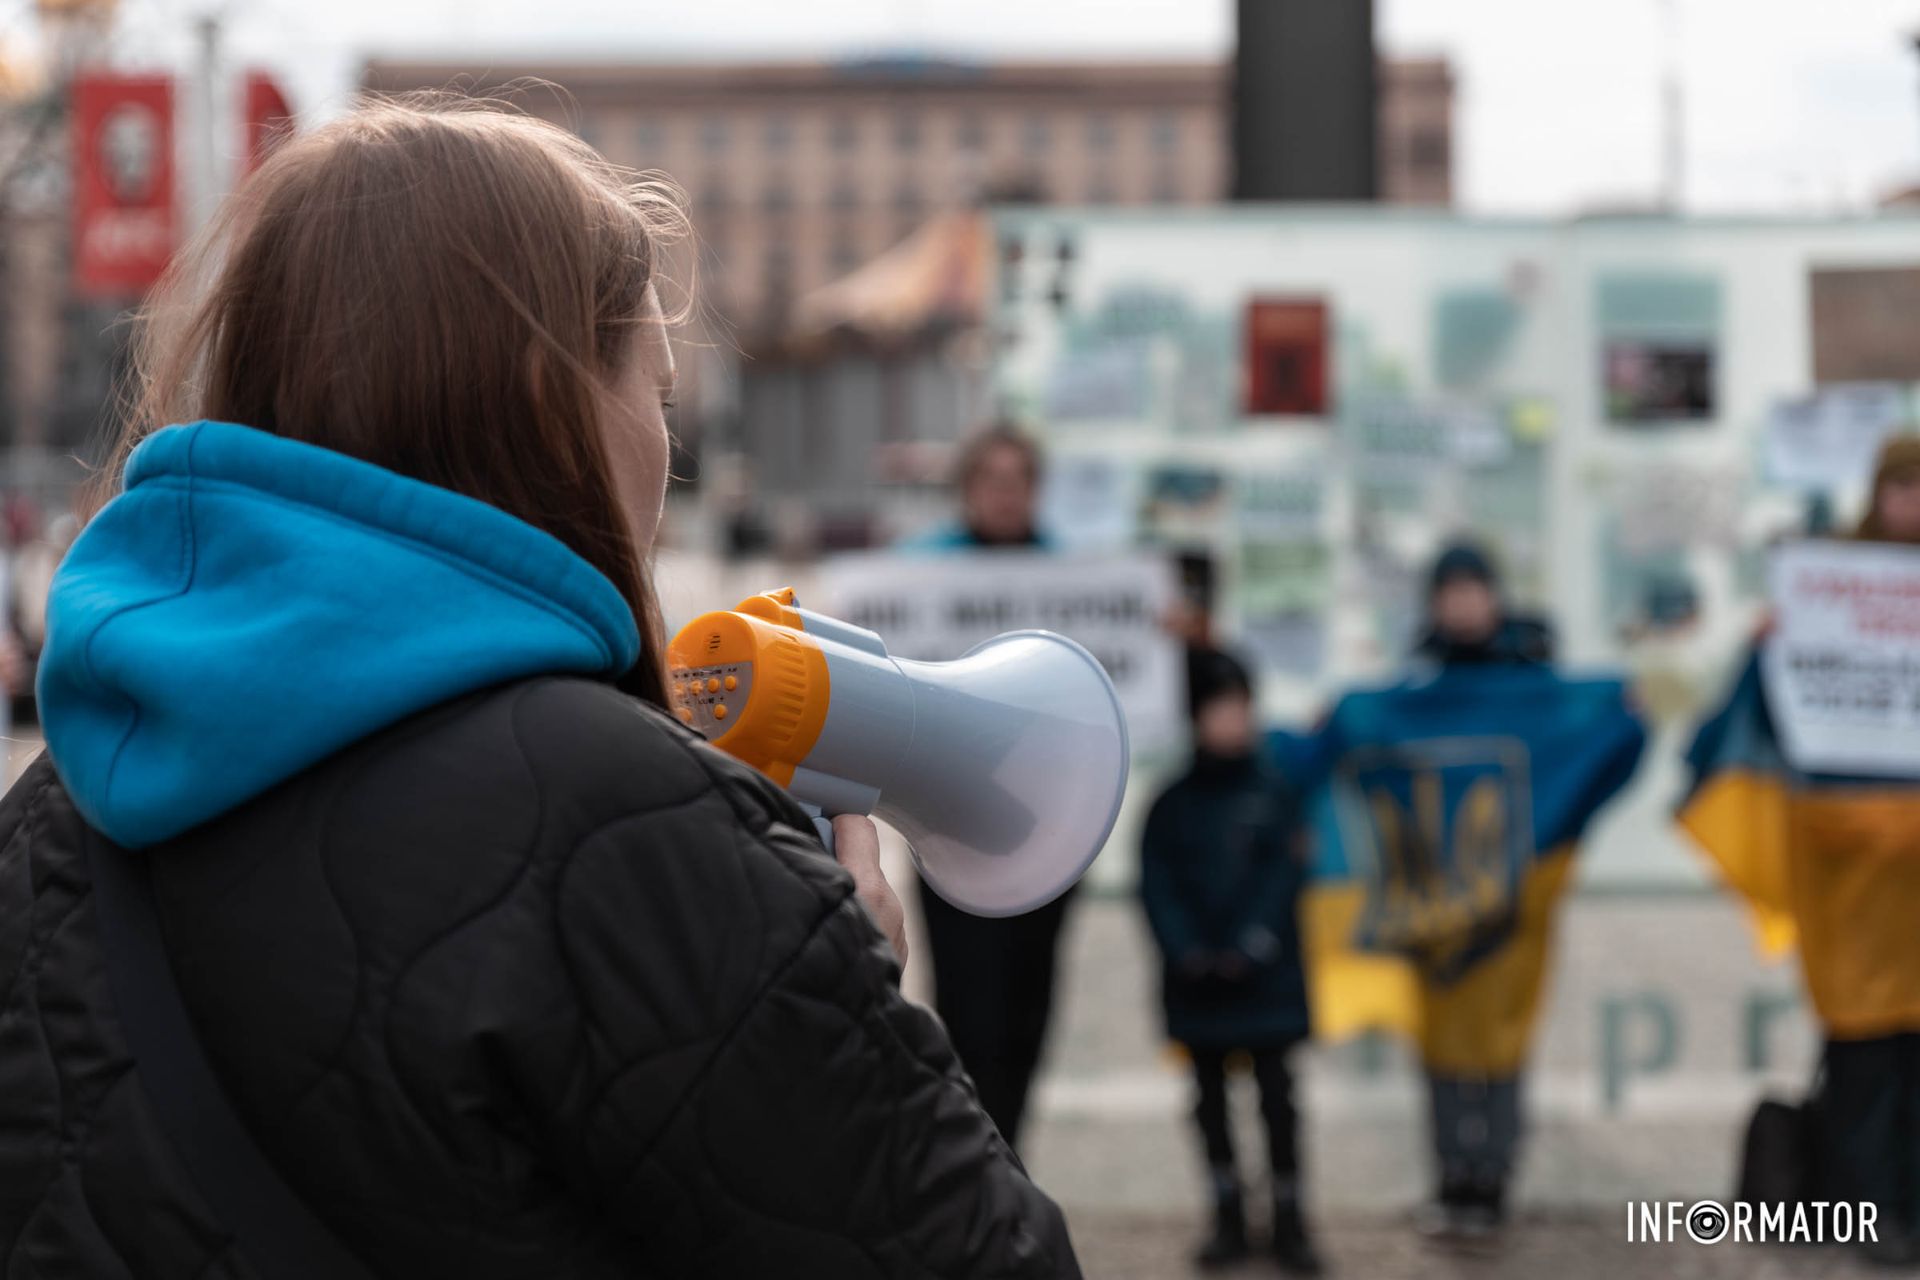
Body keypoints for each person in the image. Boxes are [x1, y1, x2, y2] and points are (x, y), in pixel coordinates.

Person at [0, 96, 1080, 1278]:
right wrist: (836, 991)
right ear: (546, 390)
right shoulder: (631, 825)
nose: (663, 448)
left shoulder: (51, 819)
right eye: (657, 394)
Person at [1684, 437, 1920, 1267]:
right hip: (1848, 866)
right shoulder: (1824, 593)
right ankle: (1867, 1209)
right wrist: (1777, 643)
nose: (1914, 505)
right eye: (1904, 487)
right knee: (1861, 1042)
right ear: (1879, 493)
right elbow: (1763, 718)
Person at [901, 421, 1074, 1153]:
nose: (1005, 496)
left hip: (1049, 826)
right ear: (967, 489)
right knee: (968, 1008)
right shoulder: (915, 575)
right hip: (951, 827)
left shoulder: (1076, 578)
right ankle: (979, 1160)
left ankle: (1011, 1156)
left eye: (1018, 481)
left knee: (1030, 1007)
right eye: (991, 480)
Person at [1141, 648, 1320, 1274]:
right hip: (1199, 988)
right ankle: (1228, 1217)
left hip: (1266, 985)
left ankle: (1291, 1217)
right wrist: (1187, 951)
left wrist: (1253, 946)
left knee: (1278, 1100)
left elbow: (1284, 878)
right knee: (1209, 1103)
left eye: (1241, 708)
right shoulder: (1171, 804)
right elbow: (1157, 888)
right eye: (1220, 709)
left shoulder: (1275, 794)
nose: (1233, 722)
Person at [1412, 541, 1552, 1238]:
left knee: (1499, 1037)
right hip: (1435, 893)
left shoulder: (1532, 679)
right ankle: (1452, 1175)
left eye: (1474, 588)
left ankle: (1491, 1177)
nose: (1464, 603)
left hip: (1510, 892)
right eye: (1451, 590)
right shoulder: (1416, 683)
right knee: (1441, 1039)